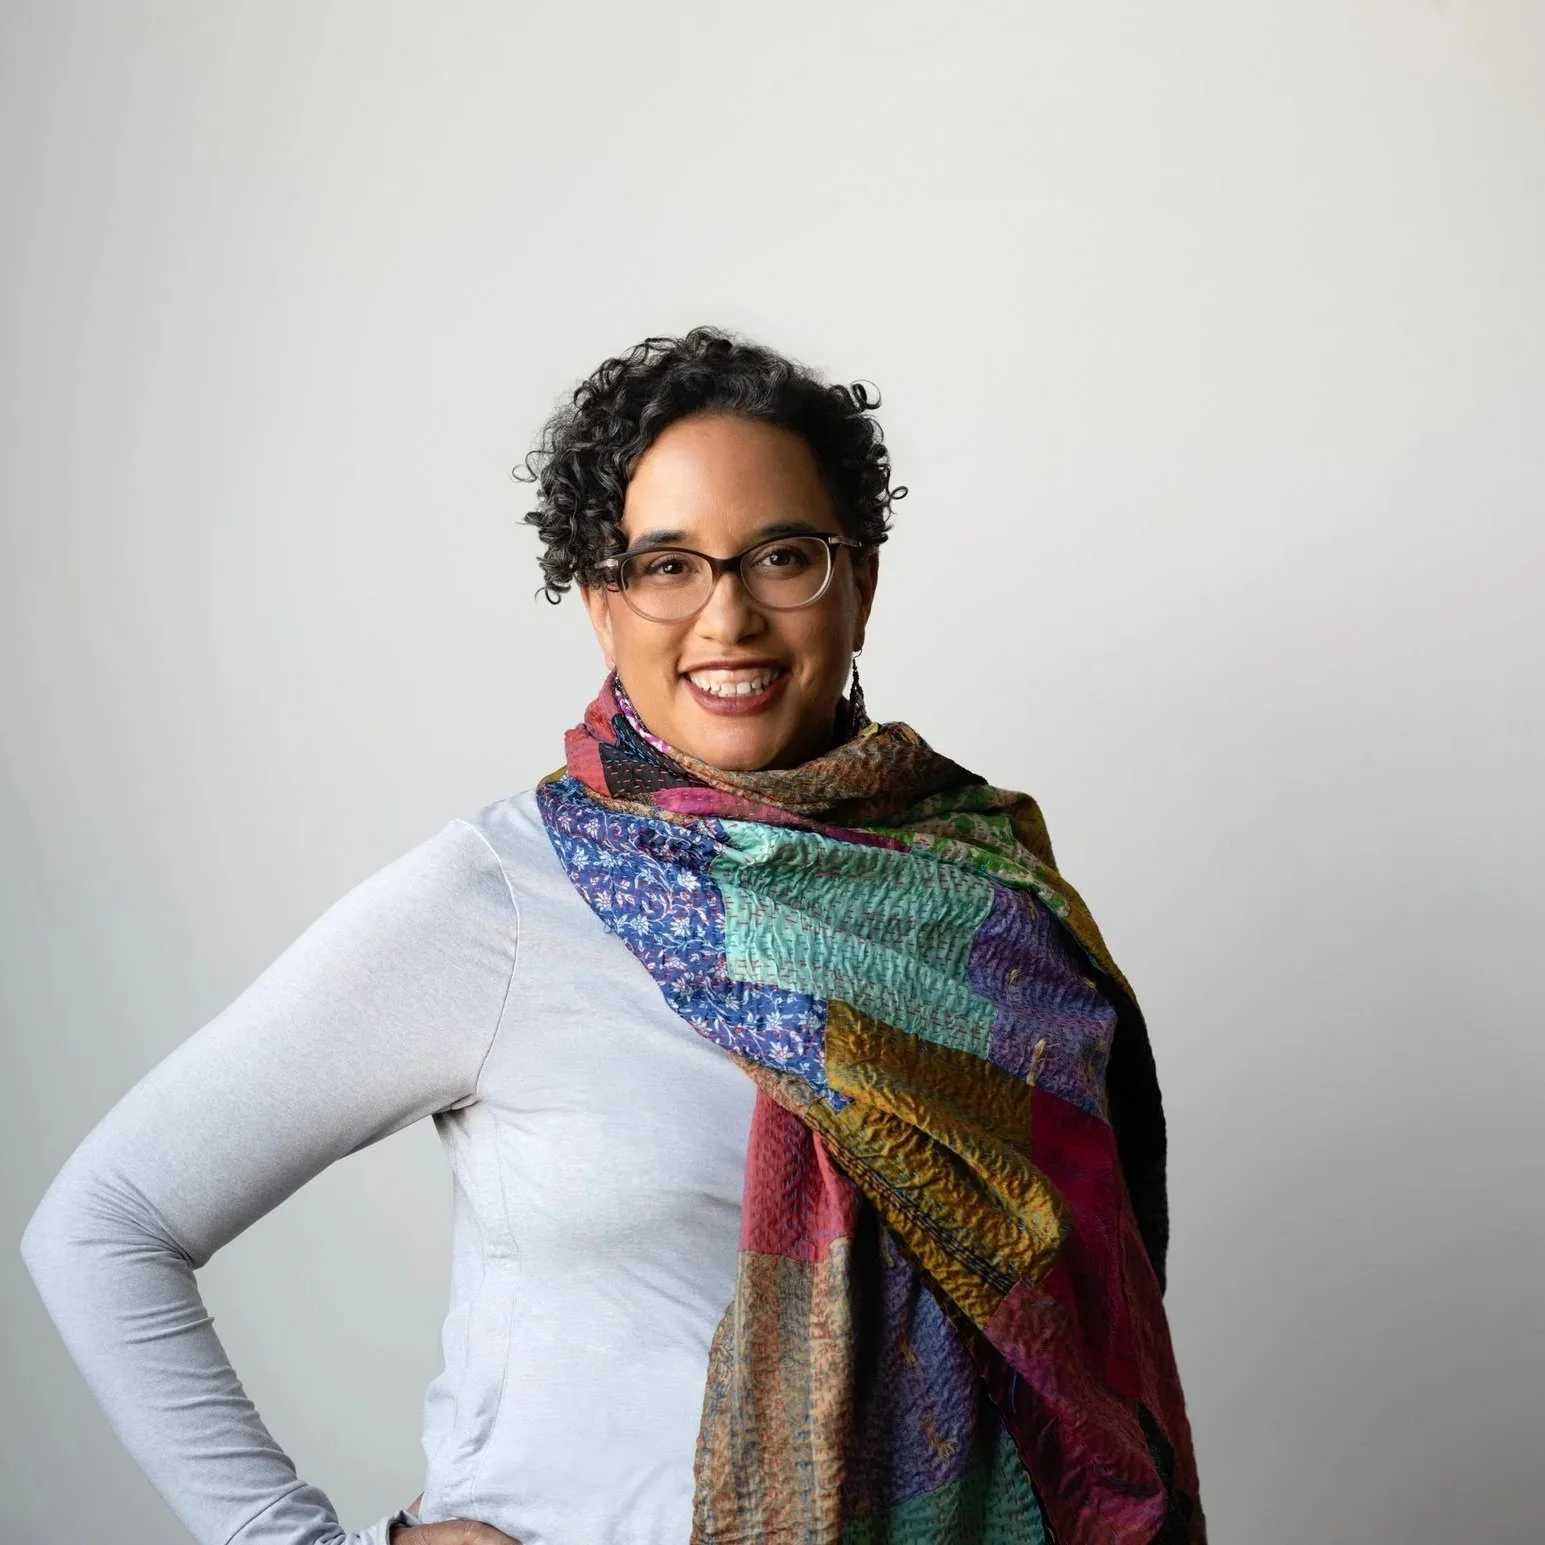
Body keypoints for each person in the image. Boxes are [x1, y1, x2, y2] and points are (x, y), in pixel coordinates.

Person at [20, 326, 1206, 1545]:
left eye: (782, 556)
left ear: (861, 581)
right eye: (666, 566)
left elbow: (1081, 1371)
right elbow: (104, 1226)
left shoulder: (991, 907)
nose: (728, 616)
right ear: (601, 604)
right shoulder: (502, 897)